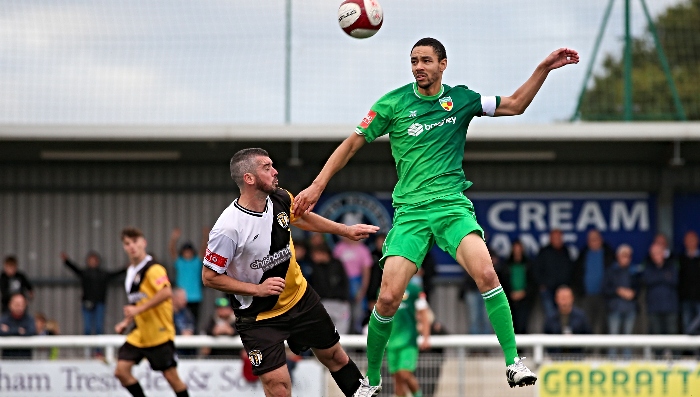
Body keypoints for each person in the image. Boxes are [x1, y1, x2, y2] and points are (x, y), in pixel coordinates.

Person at [293, 37, 577, 394]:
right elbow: (351, 144)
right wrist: (317, 186)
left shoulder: (461, 99)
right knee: (387, 299)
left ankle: (513, 362)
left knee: (487, 272)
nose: (418, 67)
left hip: (451, 207)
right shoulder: (392, 104)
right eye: (413, 61)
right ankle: (373, 382)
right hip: (411, 213)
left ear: (443, 64)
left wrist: (543, 69)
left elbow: (516, 104)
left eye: (426, 60)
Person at [201, 148, 379, 397]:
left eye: (273, 165)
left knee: (336, 357)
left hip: (300, 299)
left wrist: (345, 230)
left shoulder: (281, 198)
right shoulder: (227, 229)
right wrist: (257, 289)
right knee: (279, 387)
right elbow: (209, 277)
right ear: (249, 178)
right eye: (267, 167)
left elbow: (302, 217)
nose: (275, 171)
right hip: (259, 317)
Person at [113, 227, 189, 397]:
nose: (132, 246)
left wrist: (138, 309)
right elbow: (137, 302)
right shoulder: (131, 272)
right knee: (121, 371)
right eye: (127, 243)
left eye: (135, 242)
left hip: (158, 332)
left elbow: (166, 292)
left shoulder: (153, 268)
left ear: (143, 242)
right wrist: (125, 322)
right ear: (124, 247)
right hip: (140, 332)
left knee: (171, 378)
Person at [60, 251, 126, 338]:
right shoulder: (85, 273)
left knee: (99, 328)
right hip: (87, 303)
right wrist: (66, 261)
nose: (93, 262)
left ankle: (98, 350)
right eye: (91, 260)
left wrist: (126, 268)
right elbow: (75, 269)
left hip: (100, 303)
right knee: (87, 328)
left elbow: (115, 274)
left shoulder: (103, 274)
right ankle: (87, 350)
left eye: (94, 260)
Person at [386, 275, 431, 397]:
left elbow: (424, 314)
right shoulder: (383, 290)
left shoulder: (414, 290)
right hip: (391, 341)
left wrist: (426, 337)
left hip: (408, 341)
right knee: (397, 379)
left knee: (404, 374)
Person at [572, 229, 615, 334]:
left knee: (603, 324)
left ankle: (601, 350)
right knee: (587, 323)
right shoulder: (583, 255)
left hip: (604, 295)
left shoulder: (608, 254)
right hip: (586, 295)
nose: (594, 242)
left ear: (601, 240)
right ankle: (588, 349)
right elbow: (576, 274)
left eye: (596, 239)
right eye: (591, 239)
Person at [602, 244, 639, 358]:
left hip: (630, 307)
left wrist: (633, 293)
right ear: (618, 256)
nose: (626, 258)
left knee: (628, 337)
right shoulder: (610, 271)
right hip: (615, 307)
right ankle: (612, 360)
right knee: (614, 336)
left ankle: (627, 361)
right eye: (623, 255)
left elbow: (638, 287)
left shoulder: (634, 271)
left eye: (628, 256)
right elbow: (604, 288)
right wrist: (618, 291)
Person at [333, 236, 373, 334]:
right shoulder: (339, 247)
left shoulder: (363, 250)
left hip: (356, 283)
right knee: (343, 315)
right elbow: (333, 268)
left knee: (357, 314)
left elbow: (366, 272)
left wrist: (363, 290)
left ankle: (356, 343)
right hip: (341, 284)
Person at [309, 244, 352, 334]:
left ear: (322, 253)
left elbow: (345, 282)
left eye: (315, 254)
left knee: (342, 333)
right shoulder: (315, 268)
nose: (313, 258)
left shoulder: (337, 264)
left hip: (340, 303)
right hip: (324, 303)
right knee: (324, 334)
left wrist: (345, 299)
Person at [169, 227, 207, 326]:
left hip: (195, 297)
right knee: (178, 321)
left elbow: (204, 249)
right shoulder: (179, 262)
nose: (187, 253)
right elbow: (172, 250)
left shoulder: (196, 262)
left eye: (189, 251)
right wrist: (174, 238)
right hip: (180, 299)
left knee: (194, 321)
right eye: (186, 251)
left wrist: (205, 236)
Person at [534, 229, 574, 321]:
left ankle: (563, 332)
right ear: (550, 239)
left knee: (564, 313)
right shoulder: (544, 252)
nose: (557, 240)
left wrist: (568, 284)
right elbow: (536, 269)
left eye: (559, 237)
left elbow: (570, 269)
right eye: (555, 238)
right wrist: (542, 284)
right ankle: (553, 334)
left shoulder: (565, 251)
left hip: (563, 289)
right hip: (548, 289)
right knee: (551, 315)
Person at [641, 242, 679, 337]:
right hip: (654, 306)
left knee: (672, 332)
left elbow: (674, 280)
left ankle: (674, 352)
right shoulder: (648, 266)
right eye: (653, 254)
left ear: (663, 253)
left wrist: (657, 277)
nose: (656, 256)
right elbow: (647, 280)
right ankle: (658, 352)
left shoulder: (671, 265)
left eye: (658, 253)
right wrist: (664, 276)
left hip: (670, 305)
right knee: (656, 333)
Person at [501, 240, 537, 334]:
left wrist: (524, 293)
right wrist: (510, 293)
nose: (517, 251)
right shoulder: (506, 265)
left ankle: (521, 348)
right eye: (515, 249)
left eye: (519, 249)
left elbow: (533, 282)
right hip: (509, 300)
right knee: (511, 325)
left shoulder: (528, 264)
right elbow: (502, 282)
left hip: (525, 299)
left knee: (522, 324)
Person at [543, 285, 591, 355]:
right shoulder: (550, 318)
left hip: (577, 358)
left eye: (566, 298)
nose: (564, 301)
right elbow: (546, 338)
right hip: (556, 358)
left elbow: (589, 336)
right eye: (562, 298)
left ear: (572, 298)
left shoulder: (581, 317)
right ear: (556, 299)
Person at [0, 293, 36, 359]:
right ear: (10, 304)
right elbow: (1, 332)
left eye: (22, 304)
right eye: (17, 304)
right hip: (8, 359)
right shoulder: (4, 319)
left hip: (25, 359)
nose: (19, 307)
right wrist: (19, 331)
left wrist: (9, 330)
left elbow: (31, 332)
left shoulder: (29, 319)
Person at [678, 230, 700, 334]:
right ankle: (688, 350)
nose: (690, 242)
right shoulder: (680, 259)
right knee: (687, 328)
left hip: (699, 297)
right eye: (688, 240)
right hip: (686, 298)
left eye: (693, 240)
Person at [172, 287, 197, 357]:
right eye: (182, 298)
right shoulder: (166, 314)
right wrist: (180, 333)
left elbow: (193, 326)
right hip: (173, 351)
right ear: (174, 298)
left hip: (187, 352)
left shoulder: (187, 313)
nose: (185, 300)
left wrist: (190, 331)